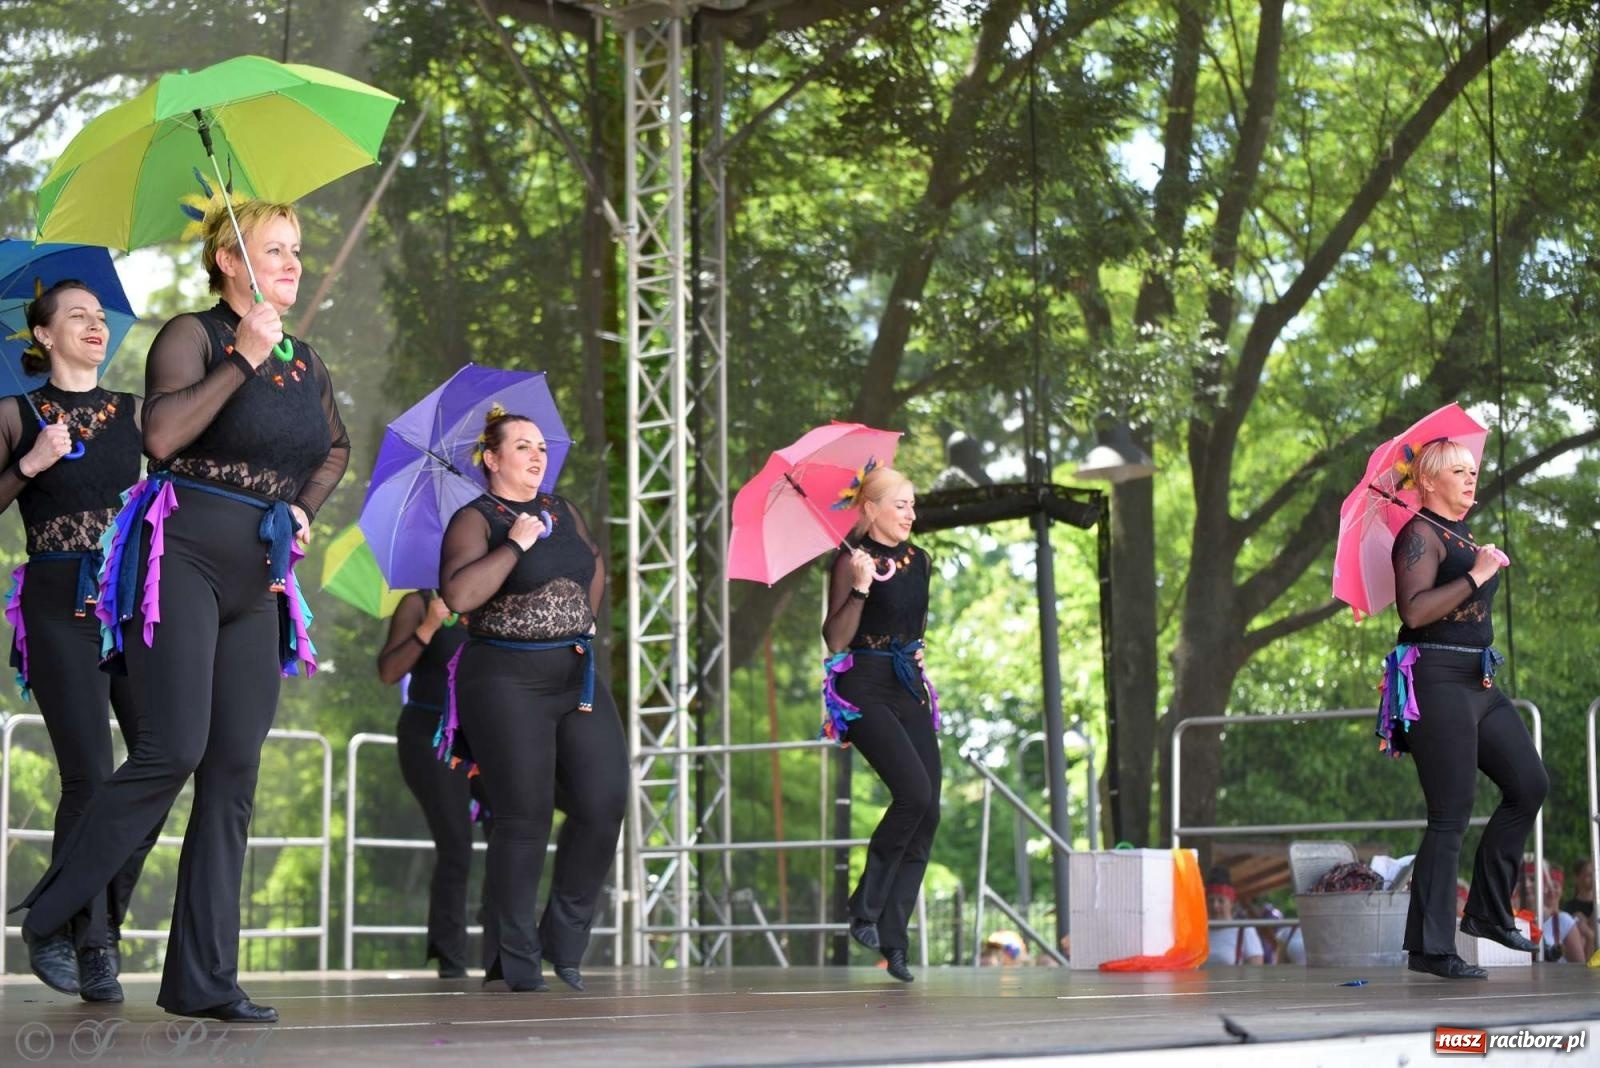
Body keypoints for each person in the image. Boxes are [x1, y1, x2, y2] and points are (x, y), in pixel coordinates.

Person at [14, 199, 349, 1023]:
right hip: (185, 553)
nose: (292, 262)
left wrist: (304, 507)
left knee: (233, 773)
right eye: (275, 248)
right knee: (172, 748)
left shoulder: (306, 362)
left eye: (297, 250)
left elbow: (335, 445)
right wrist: (240, 358)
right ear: (230, 260)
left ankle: (203, 977)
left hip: (261, 571)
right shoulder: (194, 337)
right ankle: (54, 914)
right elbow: (160, 437)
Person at [0, 280, 164, 1003]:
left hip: (129, 604)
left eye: (101, 318)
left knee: (161, 765)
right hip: (57, 597)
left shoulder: (135, 413)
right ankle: (95, 945)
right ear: (42, 335)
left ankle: (61, 915)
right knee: (89, 779)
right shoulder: (16, 414)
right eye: (78, 317)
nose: (96, 326)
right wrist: (29, 464)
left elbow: (172, 497)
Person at [437, 406, 626, 994]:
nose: (537, 455)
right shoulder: (475, 519)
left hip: (576, 675)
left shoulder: (560, 508)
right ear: (491, 459)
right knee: (525, 816)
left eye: (541, 446)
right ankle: (516, 962)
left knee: (605, 801)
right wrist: (515, 545)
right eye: (522, 446)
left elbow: (593, 563)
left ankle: (562, 943)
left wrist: (583, 616)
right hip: (504, 680)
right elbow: (459, 593)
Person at [1385, 438, 1547, 980]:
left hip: (1480, 679)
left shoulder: (1461, 533)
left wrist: (1481, 562)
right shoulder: (1418, 534)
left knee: (1529, 784)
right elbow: (1414, 608)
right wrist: (1476, 574)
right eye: (1458, 471)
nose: (1471, 478)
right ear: (1429, 482)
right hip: (1436, 678)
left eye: (1473, 470)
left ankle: (1486, 912)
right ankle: (1431, 948)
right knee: (1451, 813)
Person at [821, 464, 940, 984]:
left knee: (929, 810)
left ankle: (894, 938)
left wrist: (917, 656)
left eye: (913, 504)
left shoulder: (921, 561)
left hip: (905, 683)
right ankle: (863, 907)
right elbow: (835, 639)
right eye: (900, 504)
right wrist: (862, 589)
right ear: (869, 509)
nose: (910, 513)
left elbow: (913, 626)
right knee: (912, 793)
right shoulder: (850, 561)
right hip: (862, 683)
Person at [376, 589, 483, 978]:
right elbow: (388, 672)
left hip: (481, 739)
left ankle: (506, 944)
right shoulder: (419, 603)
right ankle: (451, 958)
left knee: (513, 823)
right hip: (429, 737)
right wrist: (428, 627)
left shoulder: (486, 601)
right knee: (456, 843)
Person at [1204, 881, 1263, 966]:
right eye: (1211, 900)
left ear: (1231, 904)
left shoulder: (1244, 930)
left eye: (1221, 901)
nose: (1215, 905)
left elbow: (1255, 968)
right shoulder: (1198, 933)